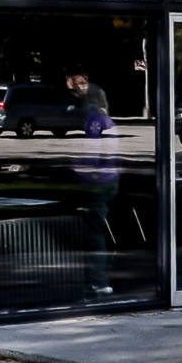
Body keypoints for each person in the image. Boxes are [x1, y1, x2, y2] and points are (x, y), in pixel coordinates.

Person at [65, 71, 119, 298]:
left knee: (94, 232)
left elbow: (94, 157)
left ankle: (98, 280)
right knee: (96, 230)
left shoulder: (94, 122)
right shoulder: (106, 121)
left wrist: (79, 170)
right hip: (109, 181)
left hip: (99, 184)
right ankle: (96, 279)